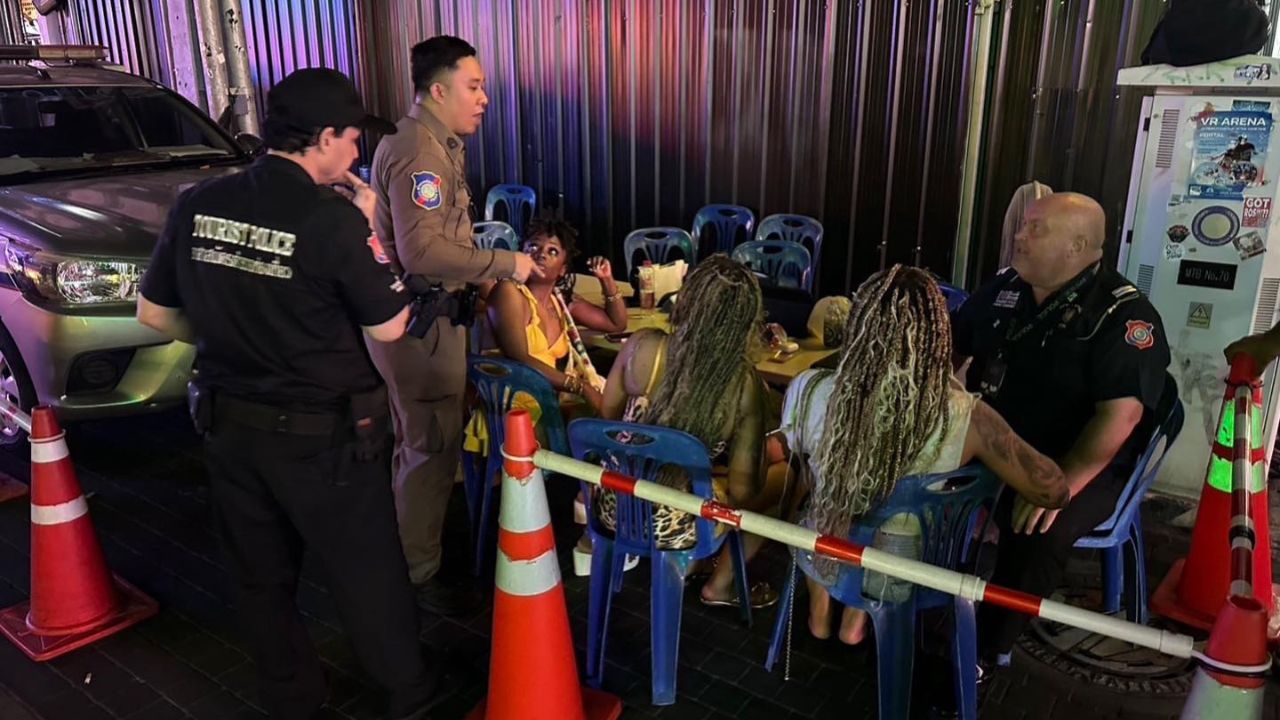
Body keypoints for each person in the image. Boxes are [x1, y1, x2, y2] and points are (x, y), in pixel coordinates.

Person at [136, 69, 439, 720]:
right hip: (324, 438)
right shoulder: (331, 219)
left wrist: (231, 336)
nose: (356, 152)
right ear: (325, 138)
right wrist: (367, 228)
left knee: (260, 578)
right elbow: (389, 324)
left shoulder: (198, 201)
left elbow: (153, 313)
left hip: (229, 429)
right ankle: (407, 697)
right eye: (352, 138)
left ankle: (292, 697)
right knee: (366, 573)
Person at [770, 265, 1068, 645]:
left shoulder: (809, 388)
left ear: (858, 326)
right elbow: (1052, 490)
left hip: (825, 549)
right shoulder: (966, 415)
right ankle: (856, 622)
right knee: (891, 525)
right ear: (936, 337)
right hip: (907, 567)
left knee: (815, 509)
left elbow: (796, 459)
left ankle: (820, 612)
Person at [952, 192, 1171, 668]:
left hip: (1081, 455)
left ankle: (985, 652)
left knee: (1037, 531)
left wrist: (1061, 484)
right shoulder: (1005, 288)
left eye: (1035, 229)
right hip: (999, 440)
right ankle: (907, 601)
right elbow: (952, 345)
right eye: (1023, 225)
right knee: (918, 484)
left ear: (1077, 246)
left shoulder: (1122, 316)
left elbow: (1120, 417)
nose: (1019, 235)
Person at [364, 35, 541, 617]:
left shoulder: (424, 141)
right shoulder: (421, 152)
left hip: (420, 323)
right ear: (438, 91)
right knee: (431, 451)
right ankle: (414, 575)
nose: (484, 98)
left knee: (414, 444)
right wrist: (506, 263)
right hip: (426, 327)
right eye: (474, 86)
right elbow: (423, 253)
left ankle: (399, 557)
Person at [597, 255, 783, 607]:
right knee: (781, 483)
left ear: (687, 299)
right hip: (675, 524)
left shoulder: (641, 345)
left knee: (701, 479)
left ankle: (692, 566)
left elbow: (606, 423)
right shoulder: (743, 384)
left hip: (612, 505)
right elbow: (743, 491)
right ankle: (720, 585)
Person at [481, 216, 627, 411]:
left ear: (562, 269)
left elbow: (616, 324)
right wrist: (580, 387)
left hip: (544, 404)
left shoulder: (561, 303)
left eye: (552, 251)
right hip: (510, 410)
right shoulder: (508, 293)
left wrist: (606, 279)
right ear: (521, 254)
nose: (541, 254)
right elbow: (519, 358)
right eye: (533, 247)